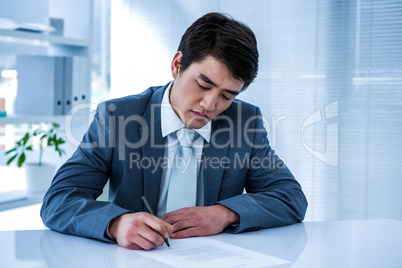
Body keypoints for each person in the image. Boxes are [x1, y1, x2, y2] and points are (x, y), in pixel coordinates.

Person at [41, 12, 307, 250]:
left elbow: (290, 197)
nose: (210, 105)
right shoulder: (116, 118)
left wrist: (224, 213)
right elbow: (59, 200)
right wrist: (115, 223)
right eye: (203, 84)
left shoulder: (245, 121)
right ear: (177, 64)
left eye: (227, 96)